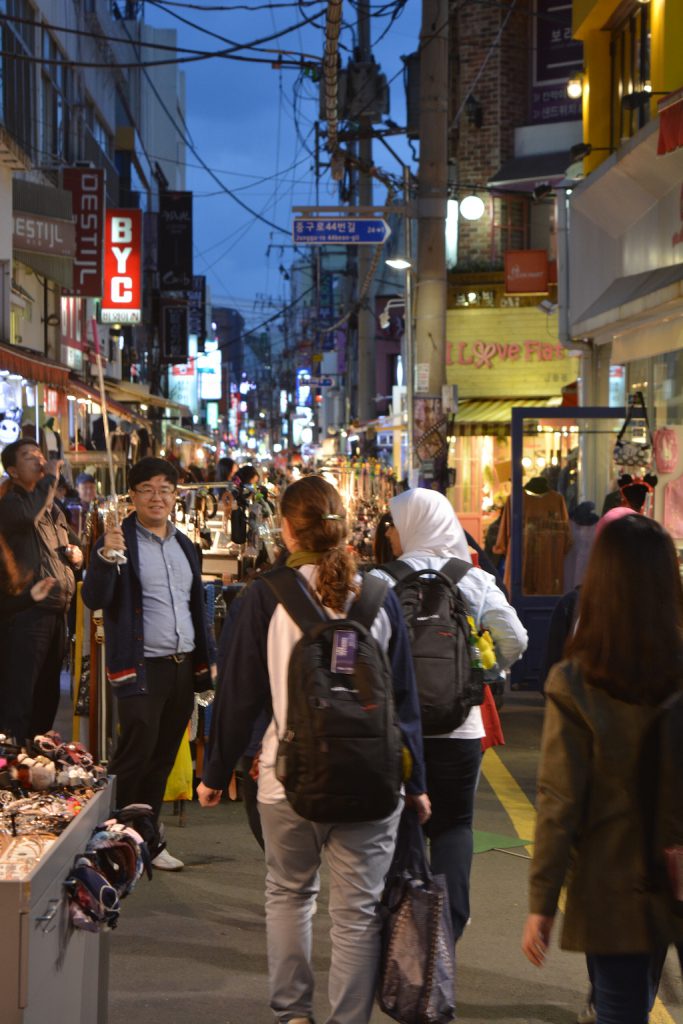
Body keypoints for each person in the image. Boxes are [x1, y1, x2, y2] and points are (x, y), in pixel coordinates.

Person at [197, 475, 430, 1024]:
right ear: (343, 527)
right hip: (373, 781)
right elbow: (403, 700)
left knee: (289, 894)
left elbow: (236, 695)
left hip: (287, 777)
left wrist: (214, 772)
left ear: (285, 526)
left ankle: (292, 1014)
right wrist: (415, 782)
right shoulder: (379, 596)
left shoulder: (263, 596)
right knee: (356, 914)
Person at [522, 514, 683, 1023]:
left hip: (613, 881)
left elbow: (560, 802)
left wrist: (542, 903)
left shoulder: (577, 681)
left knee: (619, 1010)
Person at [372, 487, 528, 942]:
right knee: (455, 826)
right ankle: (447, 929)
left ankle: (399, 926)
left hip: (398, 731)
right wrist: (486, 671)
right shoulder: (472, 579)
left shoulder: (380, 581)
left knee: (400, 821)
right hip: (461, 727)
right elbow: (516, 638)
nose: (392, 534)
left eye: (395, 525)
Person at [82, 456, 216, 871]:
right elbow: (94, 599)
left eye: (165, 489)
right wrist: (105, 557)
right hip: (140, 666)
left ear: (175, 496)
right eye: (147, 489)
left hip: (181, 665)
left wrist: (206, 661)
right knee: (133, 754)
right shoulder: (118, 540)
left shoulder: (185, 545)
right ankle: (109, 841)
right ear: (133, 496)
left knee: (161, 757)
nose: (157, 497)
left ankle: (146, 838)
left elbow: (195, 607)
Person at [0, 439, 80, 743]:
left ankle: (37, 765)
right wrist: (50, 480)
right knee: (18, 699)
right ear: (12, 471)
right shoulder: (11, 502)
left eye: (38, 453)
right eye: (27, 456)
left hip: (57, 611)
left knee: (47, 698)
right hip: (25, 614)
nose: (37, 458)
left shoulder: (51, 509)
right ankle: (10, 770)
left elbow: (75, 542)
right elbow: (25, 518)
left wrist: (78, 555)